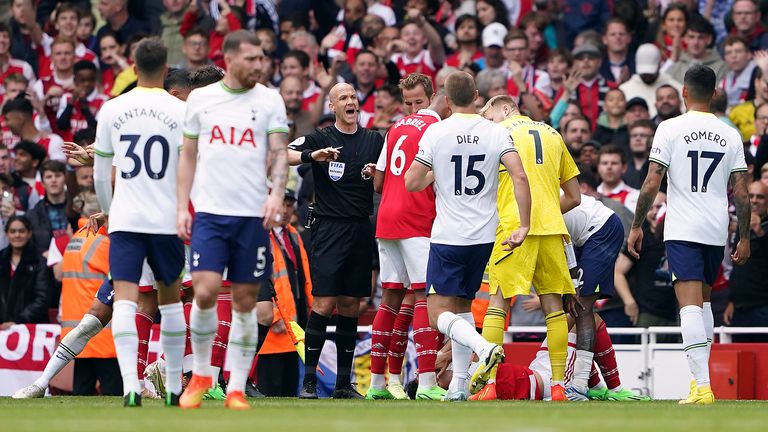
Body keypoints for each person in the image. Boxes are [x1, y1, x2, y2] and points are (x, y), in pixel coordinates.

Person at [627, 65, 752, 405]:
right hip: (715, 229)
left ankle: (702, 385)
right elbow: (741, 192)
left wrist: (637, 225)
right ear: (714, 93)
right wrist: (744, 236)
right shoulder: (729, 134)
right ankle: (701, 384)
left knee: (689, 307)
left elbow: (653, 181)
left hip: (682, 228)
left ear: (684, 91)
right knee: (704, 303)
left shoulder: (669, 128)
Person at [178, 30, 289, 410]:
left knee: (243, 302)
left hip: (251, 217)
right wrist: (181, 207)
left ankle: (236, 387)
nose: (260, 65)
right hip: (209, 213)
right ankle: (201, 374)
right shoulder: (201, 100)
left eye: (262, 58)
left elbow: (278, 153)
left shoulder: (270, 100)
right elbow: (188, 156)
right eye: (252, 59)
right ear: (229, 59)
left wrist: (276, 194)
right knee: (205, 292)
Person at [404, 71, 532, 401]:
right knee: (462, 307)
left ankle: (483, 347)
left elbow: (412, 182)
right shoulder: (494, 131)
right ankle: (458, 387)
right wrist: (524, 224)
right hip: (484, 237)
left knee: (436, 315)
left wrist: (438, 172)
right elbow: (519, 175)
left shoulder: (437, 132)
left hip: (449, 234)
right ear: (476, 96)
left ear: (445, 100)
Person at [93, 38, 188, 408]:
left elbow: (101, 175)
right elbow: (190, 170)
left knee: (126, 304)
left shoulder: (112, 108)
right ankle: (176, 388)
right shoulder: (180, 111)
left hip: (126, 220)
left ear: (133, 68)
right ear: (166, 70)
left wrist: (110, 212)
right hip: (166, 220)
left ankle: (130, 385)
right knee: (169, 304)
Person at [479, 94, 580, 402]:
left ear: (506, 107)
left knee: (498, 304)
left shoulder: (498, 133)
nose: (486, 120)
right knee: (554, 309)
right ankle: (559, 386)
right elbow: (574, 196)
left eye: (489, 113)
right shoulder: (552, 133)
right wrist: (545, 212)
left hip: (512, 228)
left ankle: (490, 384)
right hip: (551, 230)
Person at [286, 81, 383, 400]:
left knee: (351, 305)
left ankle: (343, 383)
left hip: (360, 227)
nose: (350, 101)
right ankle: (309, 381)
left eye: (353, 96)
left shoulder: (373, 139)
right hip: (328, 228)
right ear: (332, 106)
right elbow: (286, 154)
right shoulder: (322, 136)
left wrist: (375, 174)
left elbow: (386, 178)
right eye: (343, 97)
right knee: (324, 303)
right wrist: (314, 156)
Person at [367, 73, 450, 401]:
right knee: (421, 298)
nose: (414, 106)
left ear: (426, 97)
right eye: (410, 102)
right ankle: (427, 383)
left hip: (386, 217)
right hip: (417, 219)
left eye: (416, 101)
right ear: (436, 99)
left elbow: (377, 182)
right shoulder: (438, 128)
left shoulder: (395, 128)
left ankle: (376, 385)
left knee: (389, 298)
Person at [560, 192, 625, 400]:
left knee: (581, 305)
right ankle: (594, 384)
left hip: (601, 229)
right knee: (570, 307)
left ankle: (579, 384)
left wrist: (572, 286)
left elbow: (564, 243)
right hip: (579, 238)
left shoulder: (538, 204)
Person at [256, 189, 313, 397]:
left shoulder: (293, 234)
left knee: (290, 390)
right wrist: (276, 316)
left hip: (294, 325)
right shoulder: (263, 234)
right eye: (283, 204)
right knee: (270, 390)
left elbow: (305, 277)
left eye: (290, 205)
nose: (287, 210)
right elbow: (264, 282)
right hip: (273, 327)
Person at [724, 181, 768, 341]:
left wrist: (760, 232)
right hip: (739, 309)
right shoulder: (740, 229)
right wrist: (731, 301)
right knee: (740, 361)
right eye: (751, 196)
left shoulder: (763, 228)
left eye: (761, 197)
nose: (755, 200)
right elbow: (736, 268)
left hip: (763, 308)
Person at [0, 215, 49, 328]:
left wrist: (17, 322)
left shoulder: (39, 261)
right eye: (13, 231)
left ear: (29, 233)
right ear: (7, 234)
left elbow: (42, 298)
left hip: (29, 330)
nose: (17, 235)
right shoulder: (1, 258)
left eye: (22, 231)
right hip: (2, 329)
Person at [597, 145, 639, 213]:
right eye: (605, 163)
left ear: (624, 168)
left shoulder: (636, 196)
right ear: (598, 167)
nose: (609, 167)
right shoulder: (590, 195)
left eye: (614, 163)